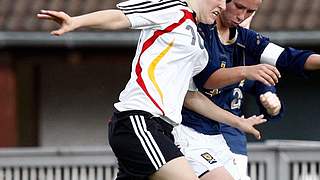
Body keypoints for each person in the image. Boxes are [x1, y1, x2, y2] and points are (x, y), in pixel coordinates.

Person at [37, 0, 270, 179]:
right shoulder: (172, 10)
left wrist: (237, 122)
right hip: (138, 121)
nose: (221, 6)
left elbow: (191, 97)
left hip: (164, 130)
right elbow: (120, 18)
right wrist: (76, 21)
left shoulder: (199, 44)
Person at [175, 0, 320, 179]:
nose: (242, 17)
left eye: (250, 12)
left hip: (216, 134)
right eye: (239, 7)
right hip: (185, 128)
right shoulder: (201, 30)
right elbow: (207, 80)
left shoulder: (244, 38)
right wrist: (246, 71)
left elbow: (287, 57)